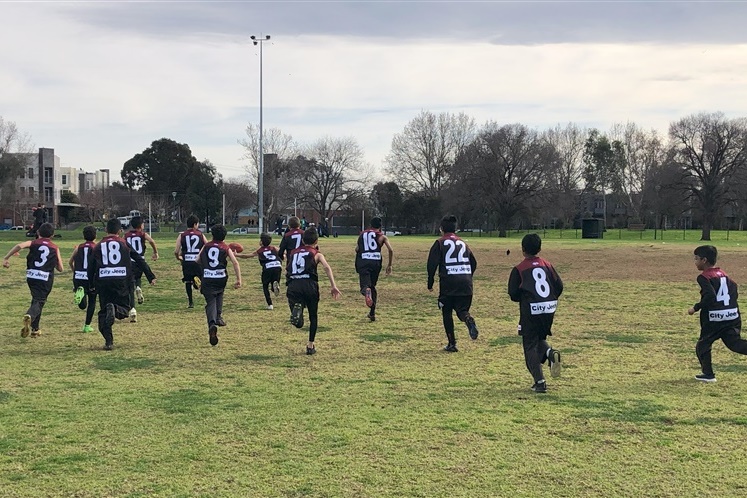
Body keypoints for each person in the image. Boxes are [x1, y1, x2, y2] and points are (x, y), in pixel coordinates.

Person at [508, 233, 563, 394]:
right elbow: (559, 286)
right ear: (539, 249)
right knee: (539, 338)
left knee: (530, 345)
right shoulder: (547, 265)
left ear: (523, 249)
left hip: (531, 309)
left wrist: (524, 299)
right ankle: (550, 353)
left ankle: (540, 382)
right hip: (549, 307)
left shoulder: (519, 269)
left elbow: (512, 293)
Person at [89, 218, 156, 350]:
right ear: (119, 231)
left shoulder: (98, 246)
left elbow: (91, 267)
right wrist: (150, 275)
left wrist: (91, 284)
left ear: (106, 230)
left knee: (103, 313)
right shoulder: (124, 244)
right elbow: (139, 259)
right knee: (125, 310)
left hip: (103, 281)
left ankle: (109, 342)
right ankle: (115, 308)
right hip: (122, 280)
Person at [687, 245, 747, 382]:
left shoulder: (704, 277)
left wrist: (695, 308)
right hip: (732, 316)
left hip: (715, 319)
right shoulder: (723, 274)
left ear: (704, 260)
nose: (695, 262)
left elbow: (710, 296)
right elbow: (734, 288)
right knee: (735, 344)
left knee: (703, 345)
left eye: (696, 259)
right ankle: (708, 375)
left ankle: (708, 375)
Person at [427, 215, 478, 352]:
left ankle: (452, 343)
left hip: (449, 282)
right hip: (466, 283)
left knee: (447, 312)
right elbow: (474, 262)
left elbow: (431, 264)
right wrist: (467, 275)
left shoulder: (439, 243)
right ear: (456, 229)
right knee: (462, 310)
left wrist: (430, 282)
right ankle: (468, 319)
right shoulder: (463, 243)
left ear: (441, 229)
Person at [286, 227, 341, 355]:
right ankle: (310, 345)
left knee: (297, 315)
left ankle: (297, 314)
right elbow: (327, 267)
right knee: (313, 316)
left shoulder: (293, 252)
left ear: (303, 240)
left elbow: (287, 269)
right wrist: (333, 285)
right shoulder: (316, 253)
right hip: (310, 284)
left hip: (294, 284)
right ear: (316, 241)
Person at [3, 222, 63, 338]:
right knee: (40, 301)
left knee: (36, 300)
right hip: (45, 278)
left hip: (31, 276)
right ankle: (30, 315)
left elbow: (20, 245)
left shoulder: (33, 243)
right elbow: (60, 268)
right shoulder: (54, 247)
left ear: (38, 232)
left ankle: (35, 329)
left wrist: (6, 258)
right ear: (52, 235)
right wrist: (53, 262)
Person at [196, 224, 242, 346]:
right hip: (221, 277)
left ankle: (212, 323)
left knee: (210, 301)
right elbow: (235, 263)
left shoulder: (206, 246)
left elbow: (197, 260)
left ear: (212, 235)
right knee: (220, 293)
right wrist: (239, 279)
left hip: (208, 277)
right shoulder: (225, 247)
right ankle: (219, 317)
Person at [355, 216, 394, 322]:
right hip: (376, 262)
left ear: (370, 225)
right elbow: (390, 250)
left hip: (364, 261)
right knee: (373, 287)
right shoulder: (382, 236)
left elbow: (357, 249)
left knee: (365, 287)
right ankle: (372, 313)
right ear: (380, 226)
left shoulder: (362, 234)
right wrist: (389, 265)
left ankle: (366, 291)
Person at [124, 216, 159, 322]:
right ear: (141, 225)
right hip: (141, 260)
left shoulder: (126, 235)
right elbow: (151, 241)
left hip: (130, 261)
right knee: (138, 277)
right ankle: (138, 288)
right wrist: (155, 252)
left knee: (131, 283)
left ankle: (133, 309)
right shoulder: (143, 234)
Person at [236, 232, 282, 310]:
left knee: (265, 286)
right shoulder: (274, 248)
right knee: (274, 282)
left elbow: (246, 256)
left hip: (268, 267)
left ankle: (270, 304)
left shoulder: (260, 250)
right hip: (277, 266)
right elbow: (283, 252)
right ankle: (274, 287)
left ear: (261, 242)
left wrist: (236, 255)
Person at [69, 225, 98, 333]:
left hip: (78, 277)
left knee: (82, 305)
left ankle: (80, 292)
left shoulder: (78, 247)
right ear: (95, 235)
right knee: (92, 302)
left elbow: (70, 262)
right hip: (90, 278)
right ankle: (87, 326)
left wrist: (75, 272)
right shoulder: (96, 247)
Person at [174, 215, 207, 308]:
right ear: (195, 224)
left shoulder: (182, 235)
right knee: (201, 279)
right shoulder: (200, 234)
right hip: (197, 261)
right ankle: (201, 290)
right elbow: (207, 246)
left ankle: (191, 302)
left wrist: (179, 258)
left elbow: (176, 251)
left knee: (187, 282)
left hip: (187, 261)